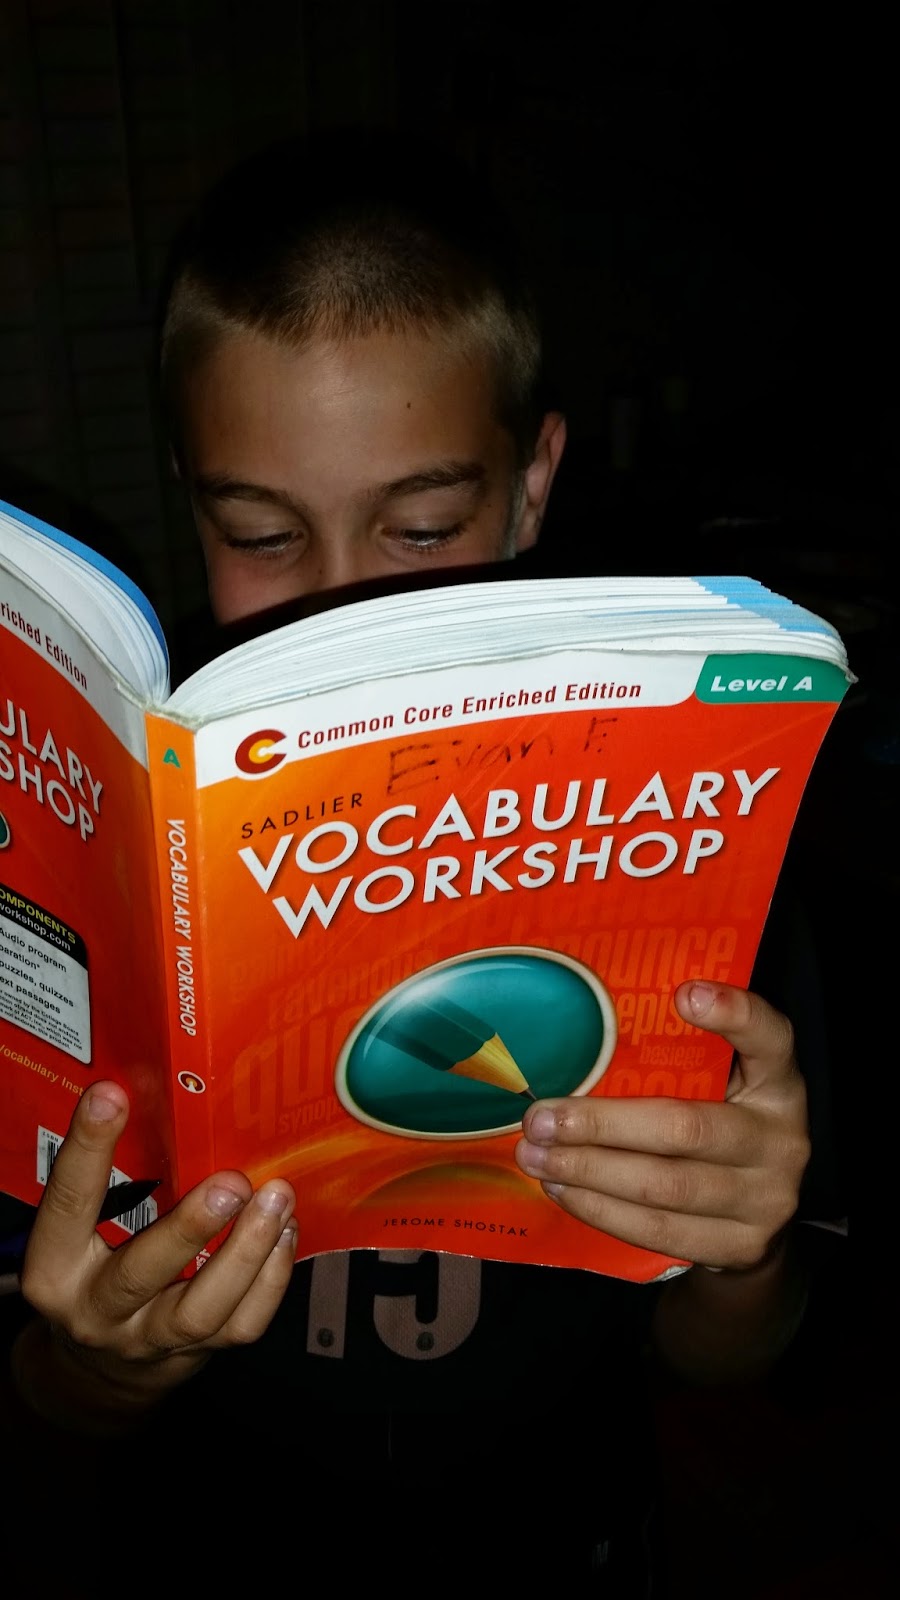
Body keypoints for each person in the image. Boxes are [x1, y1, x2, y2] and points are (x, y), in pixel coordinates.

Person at [1, 129, 829, 1594]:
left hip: (564, 1533)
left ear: (532, 486)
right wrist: (104, 1364)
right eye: (262, 533)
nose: (340, 614)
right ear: (193, 500)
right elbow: (47, 1411)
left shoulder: (695, 828)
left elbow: (724, 1363)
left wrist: (743, 1255)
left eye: (426, 528)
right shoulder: (119, 839)